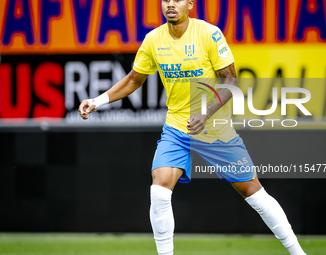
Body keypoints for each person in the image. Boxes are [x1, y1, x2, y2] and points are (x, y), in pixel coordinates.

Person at [78, 0, 307, 254]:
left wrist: (206, 113)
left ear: (190, 4)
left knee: (254, 194)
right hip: (177, 128)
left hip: (215, 129)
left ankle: (298, 253)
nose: (170, 5)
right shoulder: (153, 40)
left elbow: (230, 80)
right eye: (165, 0)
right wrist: (97, 102)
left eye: (177, 0)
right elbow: (134, 79)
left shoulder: (209, 34)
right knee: (159, 188)